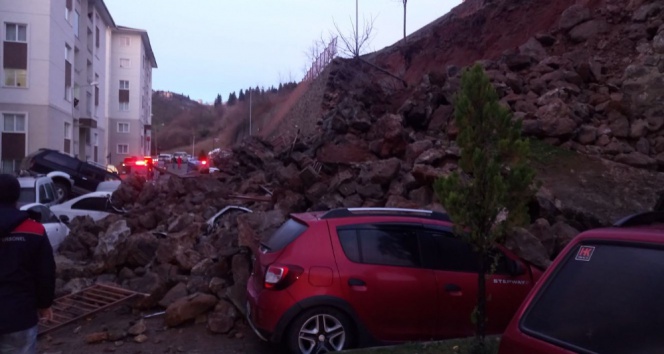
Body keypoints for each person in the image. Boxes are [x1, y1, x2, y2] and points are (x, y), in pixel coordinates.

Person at [0, 174, 55, 354]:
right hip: (20, 317)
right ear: (17, 196)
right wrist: (45, 304)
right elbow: (45, 272)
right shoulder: (35, 230)